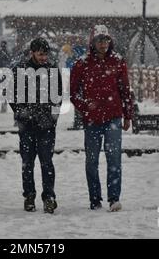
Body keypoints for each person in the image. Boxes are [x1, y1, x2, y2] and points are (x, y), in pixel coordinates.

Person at [70, 25, 133, 212]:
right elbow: (73, 93)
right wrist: (84, 106)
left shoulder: (118, 61)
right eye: (99, 40)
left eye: (106, 40)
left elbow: (125, 90)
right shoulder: (82, 63)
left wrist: (128, 115)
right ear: (93, 42)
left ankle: (114, 198)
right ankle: (95, 199)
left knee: (114, 158)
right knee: (92, 161)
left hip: (113, 116)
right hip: (92, 120)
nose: (103, 44)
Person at [10, 37, 62, 214]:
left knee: (47, 162)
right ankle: (29, 196)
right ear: (32, 52)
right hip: (27, 125)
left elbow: (58, 96)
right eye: (40, 54)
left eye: (45, 54)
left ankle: (49, 196)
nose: (43, 57)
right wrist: (20, 112)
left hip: (46, 125)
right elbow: (12, 95)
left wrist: (53, 117)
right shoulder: (20, 70)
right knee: (27, 163)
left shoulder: (52, 70)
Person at [0, 40, 11, 113]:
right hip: (5, 73)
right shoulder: (8, 53)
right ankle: (4, 104)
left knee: (0, 89)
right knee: (4, 89)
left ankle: (3, 104)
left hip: (0, 73)